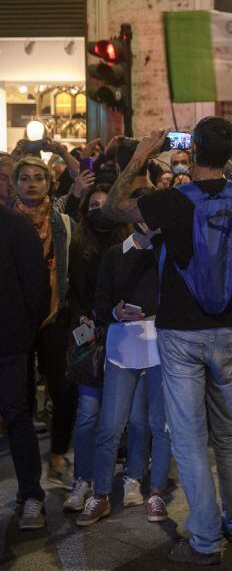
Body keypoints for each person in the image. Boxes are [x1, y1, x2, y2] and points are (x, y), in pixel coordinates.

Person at [103, 120, 232, 566]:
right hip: (227, 328)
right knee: (228, 429)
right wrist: (224, 156)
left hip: (179, 332)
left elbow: (113, 207)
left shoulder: (171, 200)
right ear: (230, 151)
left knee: (190, 436)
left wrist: (140, 156)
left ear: (191, 150)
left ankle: (205, 539)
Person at [78, 213, 172, 526]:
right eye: (140, 213)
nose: (147, 220)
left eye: (152, 213)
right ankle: (101, 494)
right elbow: (100, 301)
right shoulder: (115, 254)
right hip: (122, 346)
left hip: (159, 346)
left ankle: (156, 491)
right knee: (110, 426)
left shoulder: (166, 252)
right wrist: (115, 313)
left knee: (158, 424)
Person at [65, 184, 131, 514]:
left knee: (120, 415)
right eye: (93, 205)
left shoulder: (128, 243)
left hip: (122, 335)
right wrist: (82, 317)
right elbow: (73, 290)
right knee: (88, 412)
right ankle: (83, 479)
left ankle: (123, 477)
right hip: (90, 337)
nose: (98, 211)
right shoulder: (79, 242)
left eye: (105, 205)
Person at [13, 156, 77, 486]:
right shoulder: (8, 221)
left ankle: (57, 454)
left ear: (49, 183)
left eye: (38, 178)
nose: (32, 184)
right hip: (18, 319)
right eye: (24, 178)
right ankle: (27, 472)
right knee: (21, 395)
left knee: (63, 389)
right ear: (15, 184)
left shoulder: (62, 223)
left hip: (56, 314)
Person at [0, 200, 50, 530]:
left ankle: (31, 495)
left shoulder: (16, 226)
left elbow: (37, 288)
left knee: (17, 417)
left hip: (9, 343)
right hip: (13, 339)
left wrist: (23, 331)